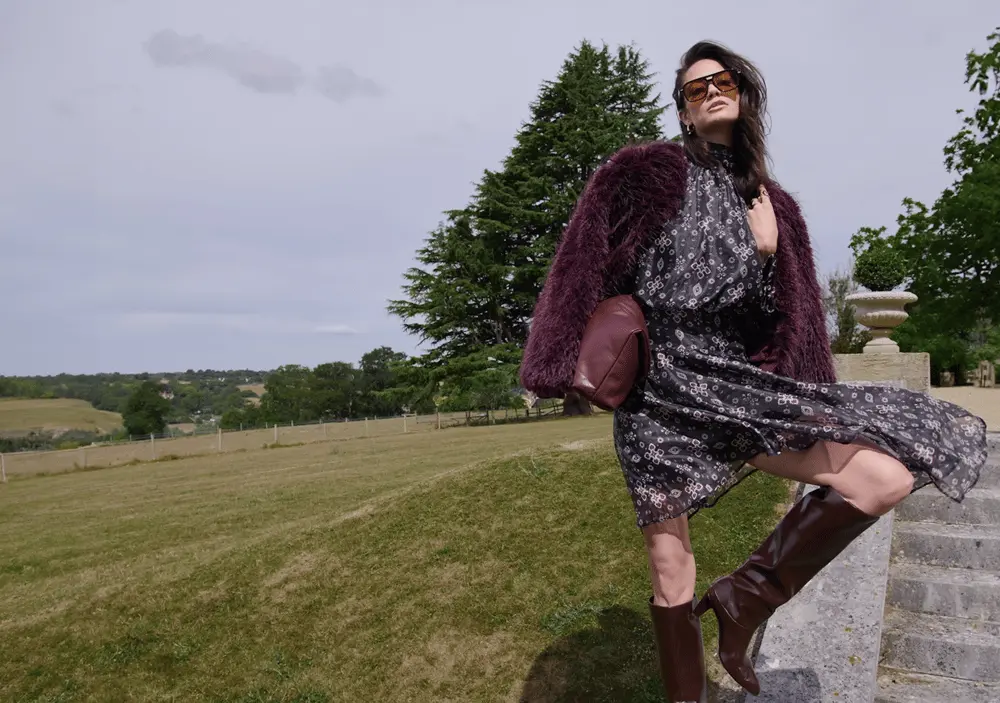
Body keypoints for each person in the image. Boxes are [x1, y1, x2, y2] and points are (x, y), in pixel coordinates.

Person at [519, 39, 988, 702]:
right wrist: (557, 357)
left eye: (723, 81)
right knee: (670, 568)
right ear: (683, 111)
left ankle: (744, 597)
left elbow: (779, 321)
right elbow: (591, 265)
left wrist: (766, 253)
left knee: (883, 479)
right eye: (696, 88)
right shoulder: (646, 172)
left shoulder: (775, 205)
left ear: (743, 93)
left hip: (731, 386)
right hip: (657, 392)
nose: (711, 91)